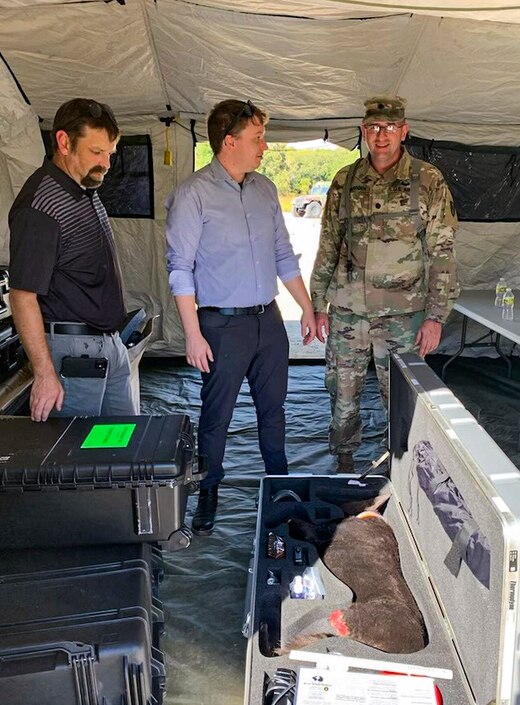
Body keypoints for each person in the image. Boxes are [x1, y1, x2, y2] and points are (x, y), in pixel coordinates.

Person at [166, 98, 316, 535]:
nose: (265, 147)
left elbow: (283, 254)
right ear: (229, 143)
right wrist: (192, 335)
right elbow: (180, 269)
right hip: (220, 325)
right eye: (257, 139)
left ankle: (280, 483)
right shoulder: (193, 195)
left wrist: (305, 308)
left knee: (274, 409)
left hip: (267, 321)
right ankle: (209, 488)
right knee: (217, 416)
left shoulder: (266, 189)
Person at [311, 95, 459, 473]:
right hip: (348, 314)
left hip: (403, 317)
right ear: (363, 131)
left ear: (404, 131)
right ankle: (344, 465)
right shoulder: (345, 180)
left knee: (401, 398)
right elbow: (328, 243)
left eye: (390, 128)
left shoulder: (427, 180)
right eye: (374, 128)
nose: (381, 136)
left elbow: (441, 252)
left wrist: (436, 316)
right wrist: (317, 304)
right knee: (342, 395)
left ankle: (402, 468)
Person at [8, 98, 137, 423]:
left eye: (110, 153)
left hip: (108, 347)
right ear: (64, 142)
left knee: (121, 448)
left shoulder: (82, 188)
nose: (106, 164)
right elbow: (22, 296)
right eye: (96, 152)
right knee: (76, 457)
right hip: (73, 355)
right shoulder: (40, 207)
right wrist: (45, 372)